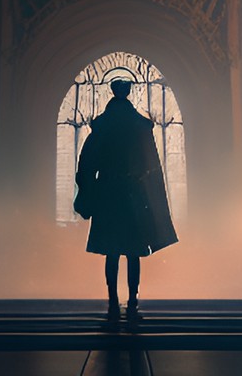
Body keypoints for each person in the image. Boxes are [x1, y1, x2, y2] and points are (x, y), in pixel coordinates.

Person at [74, 78, 178, 320]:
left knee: (112, 251)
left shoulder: (103, 126)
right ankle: (132, 302)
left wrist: (86, 194)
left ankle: (112, 301)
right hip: (133, 194)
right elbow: (151, 165)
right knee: (133, 251)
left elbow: (86, 163)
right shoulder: (139, 127)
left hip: (108, 193)